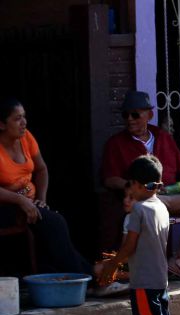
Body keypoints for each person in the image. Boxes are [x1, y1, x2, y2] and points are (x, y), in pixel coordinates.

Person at [101, 90, 180, 280]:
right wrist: (134, 187)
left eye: (135, 114)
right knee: (146, 211)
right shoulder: (116, 144)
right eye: (126, 115)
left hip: (174, 192)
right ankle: (145, 269)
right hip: (147, 197)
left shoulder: (163, 137)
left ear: (149, 115)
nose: (130, 119)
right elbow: (109, 179)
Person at [97, 155, 174, 315]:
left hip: (144, 286)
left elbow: (130, 246)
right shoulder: (161, 206)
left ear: (137, 185)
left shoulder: (139, 211)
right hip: (158, 281)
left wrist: (112, 265)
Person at [0, 97, 105, 282]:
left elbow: (41, 169)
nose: (24, 122)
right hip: (6, 206)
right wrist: (21, 201)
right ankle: (93, 277)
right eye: (17, 119)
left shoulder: (26, 138)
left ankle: (87, 275)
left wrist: (41, 199)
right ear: (2, 124)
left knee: (61, 220)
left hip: (30, 203)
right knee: (54, 222)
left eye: (24, 117)